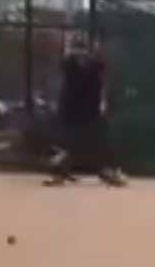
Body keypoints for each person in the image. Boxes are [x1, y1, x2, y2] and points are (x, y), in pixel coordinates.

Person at [44, 36, 126, 187]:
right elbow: (65, 62)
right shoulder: (70, 66)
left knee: (101, 143)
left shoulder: (96, 68)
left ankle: (110, 172)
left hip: (91, 111)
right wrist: (69, 48)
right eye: (76, 51)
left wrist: (103, 102)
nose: (79, 55)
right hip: (71, 111)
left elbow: (102, 69)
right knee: (65, 144)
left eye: (82, 51)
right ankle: (60, 173)